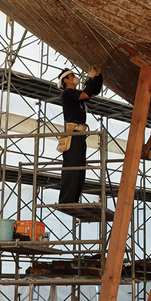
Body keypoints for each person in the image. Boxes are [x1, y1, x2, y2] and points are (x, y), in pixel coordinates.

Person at [57, 66, 102, 204]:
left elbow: (92, 92)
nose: (75, 77)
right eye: (72, 76)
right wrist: (89, 78)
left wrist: (97, 77)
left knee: (80, 168)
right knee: (73, 167)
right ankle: (67, 200)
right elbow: (87, 94)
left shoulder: (76, 96)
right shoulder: (67, 93)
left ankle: (74, 199)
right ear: (65, 80)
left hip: (80, 135)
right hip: (73, 134)